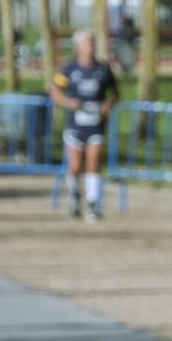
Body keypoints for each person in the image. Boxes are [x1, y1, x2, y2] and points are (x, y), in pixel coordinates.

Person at [49, 31, 120, 222]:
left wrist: (109, 104)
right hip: (75, 125)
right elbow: (55, 91)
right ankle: (74, 193)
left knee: (94, 162)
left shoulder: (103, 69)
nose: (91, 46)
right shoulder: (69, 69)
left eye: (93, 43)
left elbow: (116, 94)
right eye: (88, 43)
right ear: (79, 46)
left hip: (96, 125)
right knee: (75, 166)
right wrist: (67, 102)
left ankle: (92, 204)